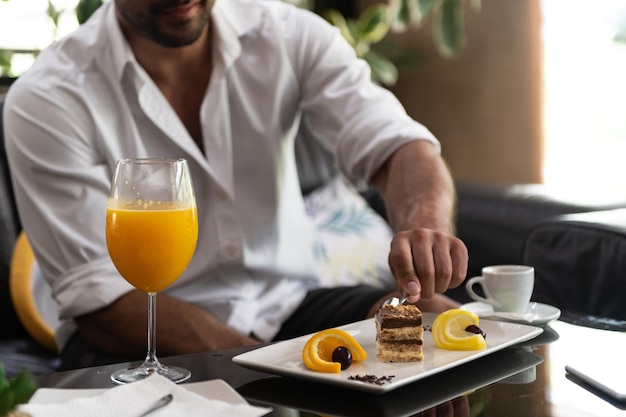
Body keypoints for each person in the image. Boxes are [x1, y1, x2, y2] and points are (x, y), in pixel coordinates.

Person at [3, 0, 468, 370]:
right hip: (138, 336)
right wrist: (280, 367)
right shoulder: (48, 98)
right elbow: (102, 304)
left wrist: (423, 225)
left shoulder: (290, 35)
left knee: (432, 324)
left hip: (287, 307)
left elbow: (398, 145)